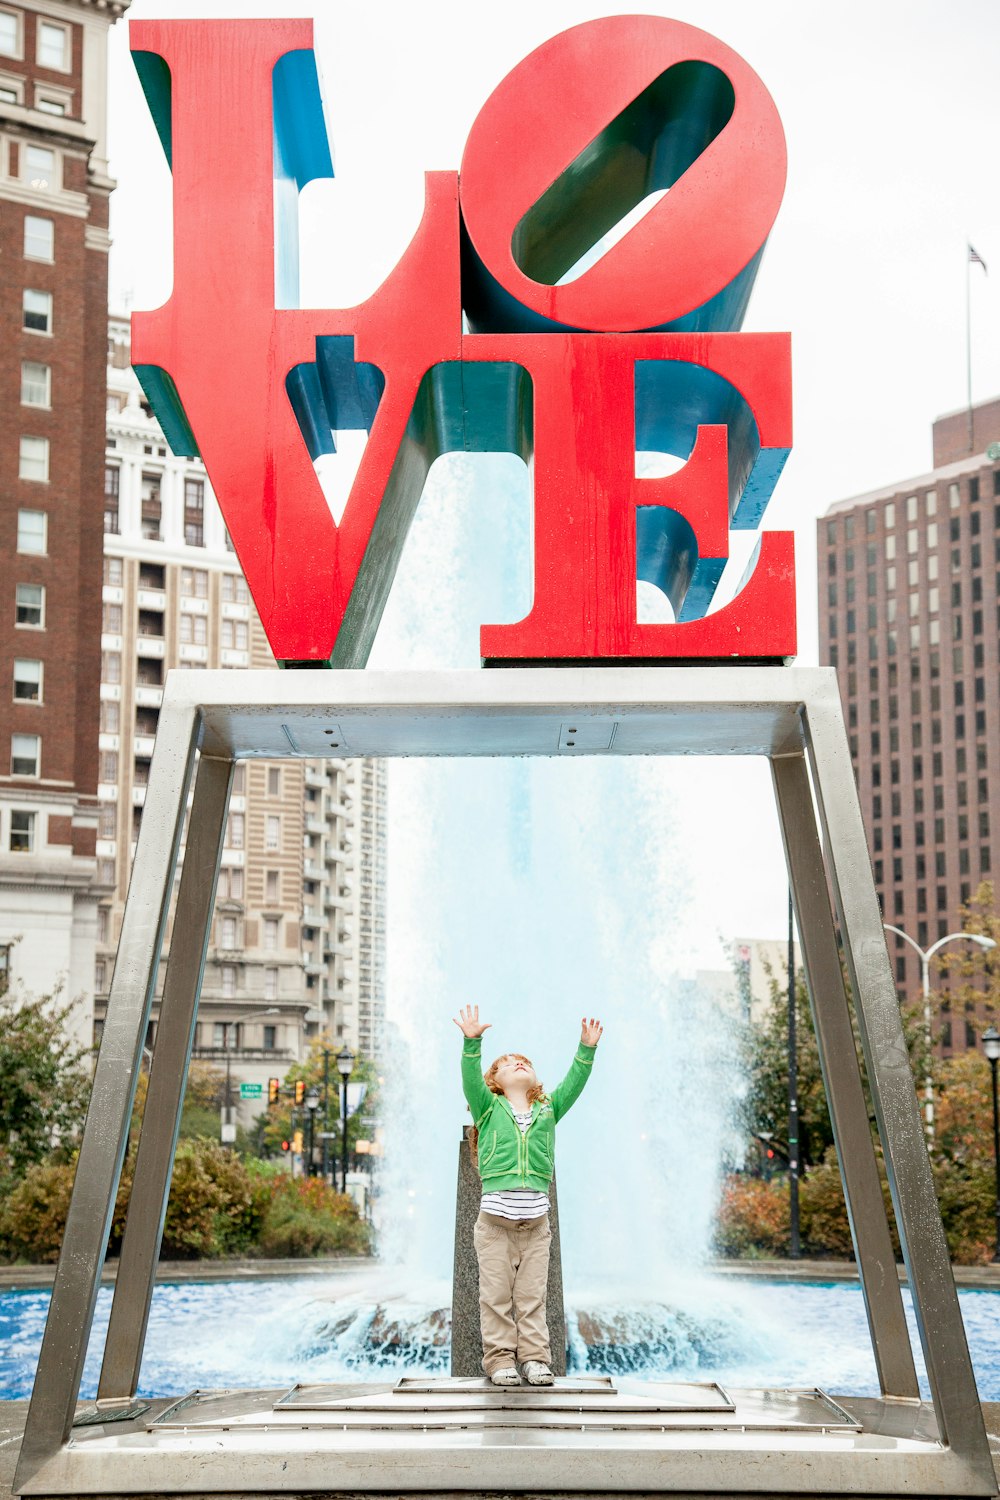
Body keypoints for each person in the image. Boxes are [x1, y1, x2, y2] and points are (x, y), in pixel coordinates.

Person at [454, 1004, 603, 1387]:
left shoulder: (548, 1109)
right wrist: (473, 1043)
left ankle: (535, 1359)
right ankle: (500, 1360)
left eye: (524, 1061)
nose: (518, 1064)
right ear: (495, 1081)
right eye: (508, 1064)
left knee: (533, 1299)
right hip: (494, 1229)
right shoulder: (488, 1108)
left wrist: (585, 1050)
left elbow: (573, 1084)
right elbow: (470, 1079)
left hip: (536, 1227)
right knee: (496, 1298)